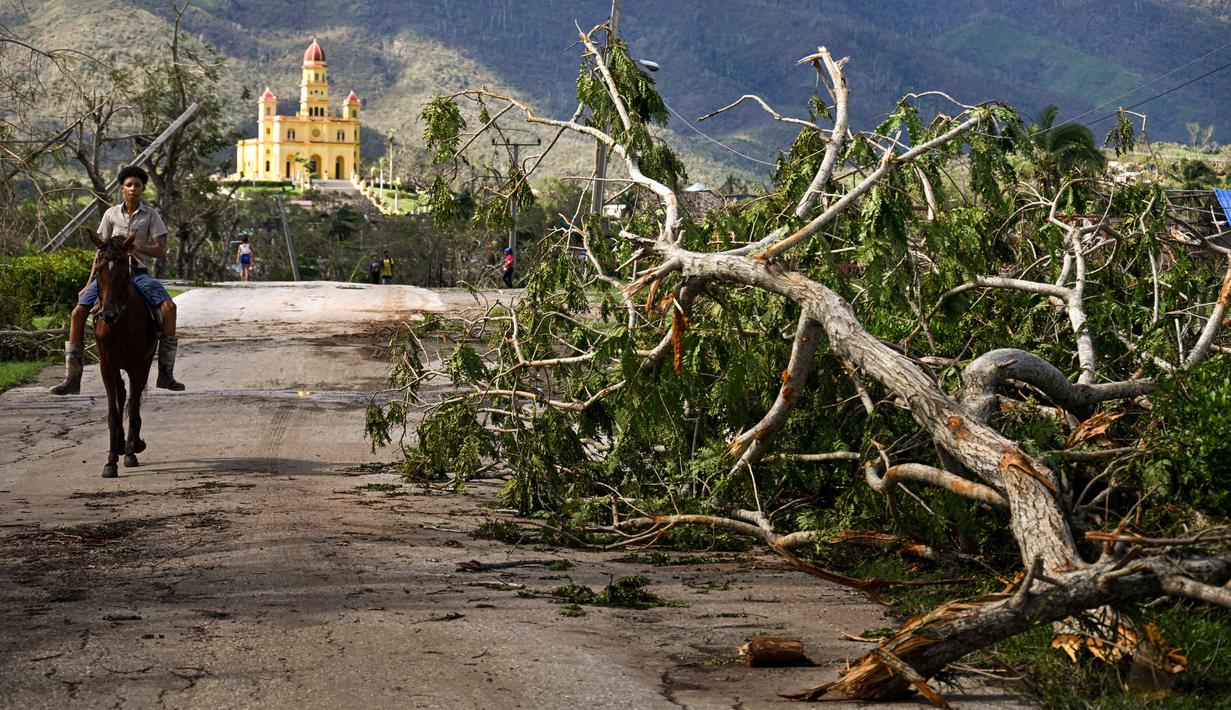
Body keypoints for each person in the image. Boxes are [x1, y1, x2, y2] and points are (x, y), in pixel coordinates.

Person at [50, 165, 185, 395]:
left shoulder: (151, 215)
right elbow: (100, 251)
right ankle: (72, 376)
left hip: (138, 273)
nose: (133, 188)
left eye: (138, 185)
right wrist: (88, 283)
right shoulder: (110, 214)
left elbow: (160, 251)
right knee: (77, 313)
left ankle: (166, 372)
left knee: (169, 308)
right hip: (110, 275)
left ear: (143, 189)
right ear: (122, 188)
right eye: (129, 185)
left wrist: (137, 247)